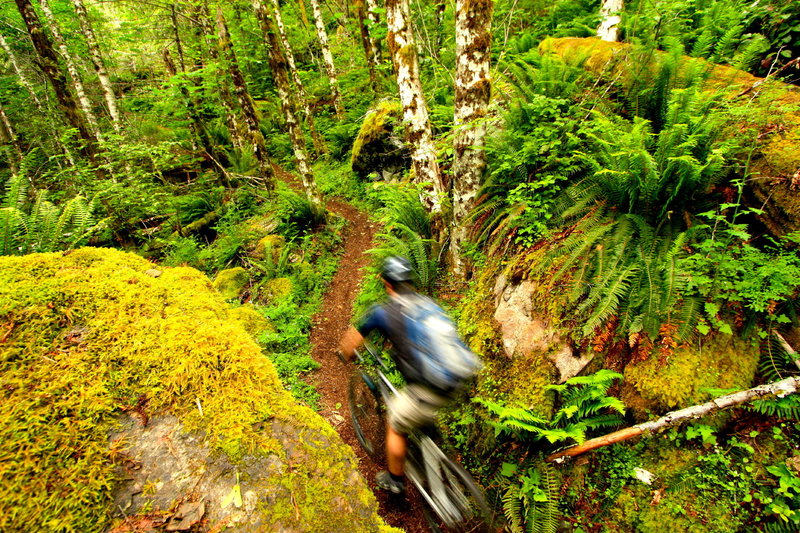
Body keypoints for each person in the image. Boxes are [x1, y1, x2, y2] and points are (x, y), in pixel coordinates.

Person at [339, 256, 452, 495]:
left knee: (396, 425)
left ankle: (395, 481)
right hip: (454, 378)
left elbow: (352, 341)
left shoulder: (383, 313)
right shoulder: (428, 304)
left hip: (427, 387)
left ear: (387, 283)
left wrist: (345, 354)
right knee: (422, 408)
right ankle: (430, 441)